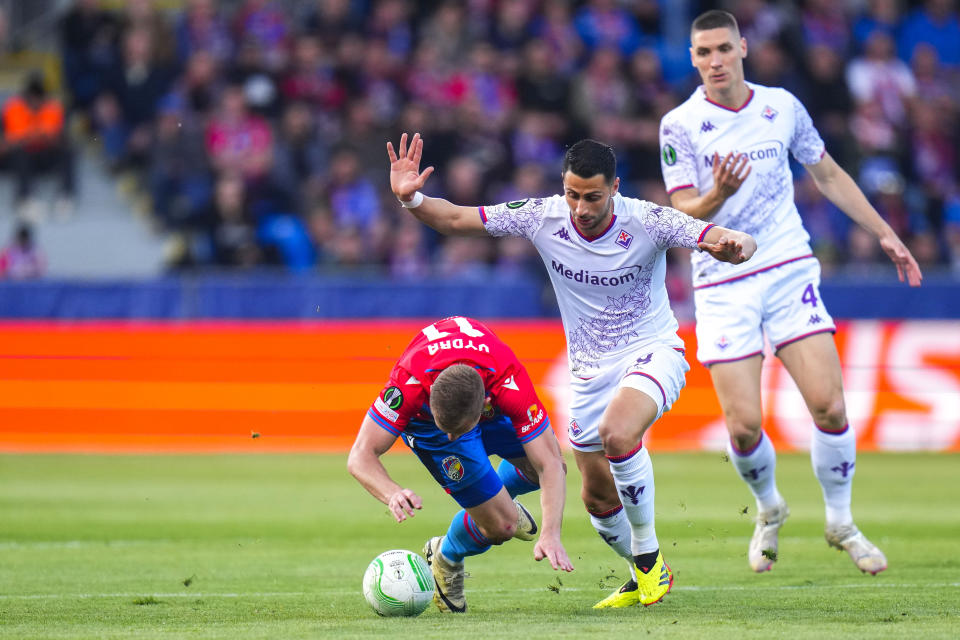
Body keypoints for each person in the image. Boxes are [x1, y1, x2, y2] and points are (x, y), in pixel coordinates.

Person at [386, 132, 756, 608]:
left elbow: (709, 234)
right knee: (598, 498)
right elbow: (457, 218)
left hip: (652, 351)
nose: (580, 208)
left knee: (619, 434)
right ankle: (647, 572)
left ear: (615, 188)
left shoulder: (648, 220)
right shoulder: (543, 215)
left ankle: (646, 559)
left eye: (593, 197)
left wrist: (734, 243)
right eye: (573, 194)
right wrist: (410, 197)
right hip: (588, 374)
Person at [658, 10, 923, 576]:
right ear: (693, 58)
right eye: (703, 52)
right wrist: (717, 197)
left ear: (743, 47)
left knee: (828, 405)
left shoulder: (782, 107)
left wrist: (884, 233)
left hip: (785, 265)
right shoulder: (679, 124)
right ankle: (769, 507)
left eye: (723, 49)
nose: (715, 61)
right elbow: (681, 211)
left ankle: (841, 521)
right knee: (743, 426)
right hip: (722, 279)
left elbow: (826, 173)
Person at [347, 315, 573, 613]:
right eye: (448, 428)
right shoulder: (409, 384)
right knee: (502, 526)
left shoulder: (509, 381)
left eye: (458, 430)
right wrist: (392, 493)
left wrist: (551, 533)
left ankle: (487, 508)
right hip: (427, 426)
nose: (452, 435)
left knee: (540, 465)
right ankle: (448, 557)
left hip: (482, 390)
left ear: (485, 409)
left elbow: (551, 465)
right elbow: (360, 455)